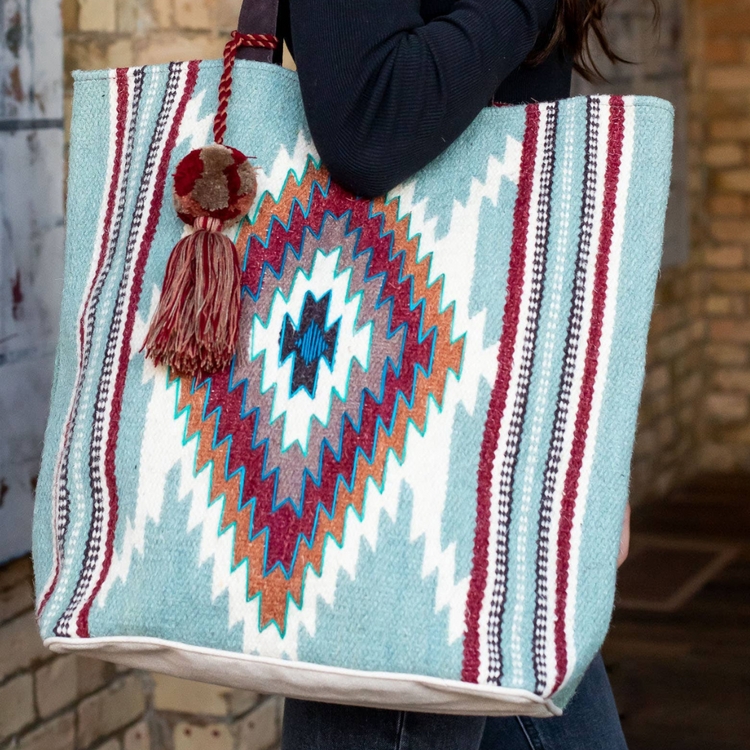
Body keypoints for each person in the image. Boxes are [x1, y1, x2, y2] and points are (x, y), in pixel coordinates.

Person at [273, 0, 640, 747]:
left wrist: (591, 436)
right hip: (381, 465)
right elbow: (367, 121)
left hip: (499, 437)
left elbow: (533, 177)